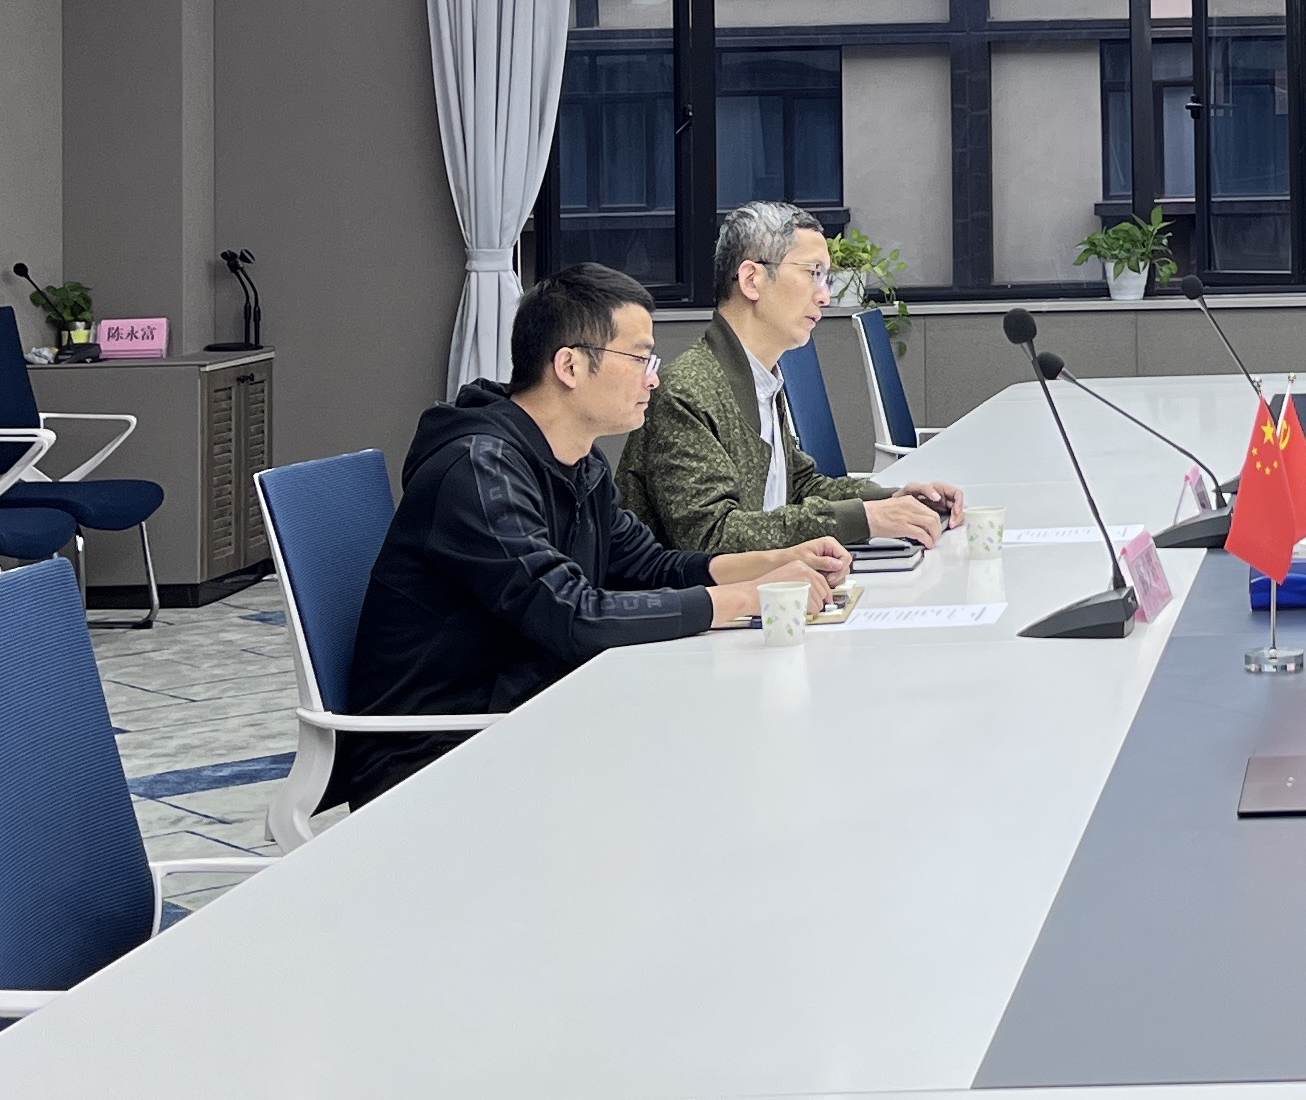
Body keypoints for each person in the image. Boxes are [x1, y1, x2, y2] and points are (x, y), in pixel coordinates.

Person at [331, 265, 846, 814]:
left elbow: (650, 566)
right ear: (570, 365)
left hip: (534, 712)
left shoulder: (580, 462)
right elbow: (574, 616)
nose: (653, 379)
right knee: (712, 767)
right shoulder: (479, 471)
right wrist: (747, 599)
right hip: (437, 757)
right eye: (640, 359)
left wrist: (772, 563)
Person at [623, 202, 966, 557]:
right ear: (752, 279)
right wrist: (864, 518)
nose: (825, 296)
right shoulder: (686, 392)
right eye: (813, 273)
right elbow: (713, 539)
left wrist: (893, 500)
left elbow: (798, 487)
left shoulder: (761, 377)